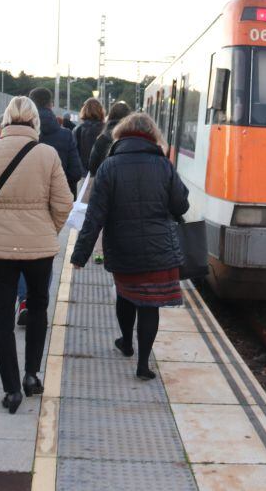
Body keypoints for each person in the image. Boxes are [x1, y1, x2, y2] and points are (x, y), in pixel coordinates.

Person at [0, 96, 73, 413]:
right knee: (37, 309)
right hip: (40, 249)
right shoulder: (47, 154)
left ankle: (11, 391)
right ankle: (31, 375)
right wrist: (47, 228)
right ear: (36, 121)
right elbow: (64, 203)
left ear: (5, 120)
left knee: (1, 317)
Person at [71, 113, 189, 380]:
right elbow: (181, 206)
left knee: (127, 295)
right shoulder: (164, 165)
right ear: (153, 136)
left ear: (121, 136)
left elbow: (95, 216)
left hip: (123, 246)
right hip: (160, 249)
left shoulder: (109, 166)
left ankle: (126, 342)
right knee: (150, 305)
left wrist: (80, 255)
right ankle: (143, 364)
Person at [13, 88, 83, 325]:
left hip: (19, 201)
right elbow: (76, 171)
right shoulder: (64, 136)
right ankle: (37, 301)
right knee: (45, 253)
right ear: (51, 105)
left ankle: (24, 301)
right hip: (51, 205)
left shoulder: (15, 133)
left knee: (21, 252)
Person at [87, 101, 131, 176]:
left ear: (110, 116)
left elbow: (92, 167)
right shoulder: (134, 139)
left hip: (105, 183)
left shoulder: (102, 138)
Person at [72, 98, 105, 173]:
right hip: (103, 174)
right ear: (101, 110)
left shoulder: (77, 130)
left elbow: (74, 155)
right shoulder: (106, 129)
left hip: (83, 174)